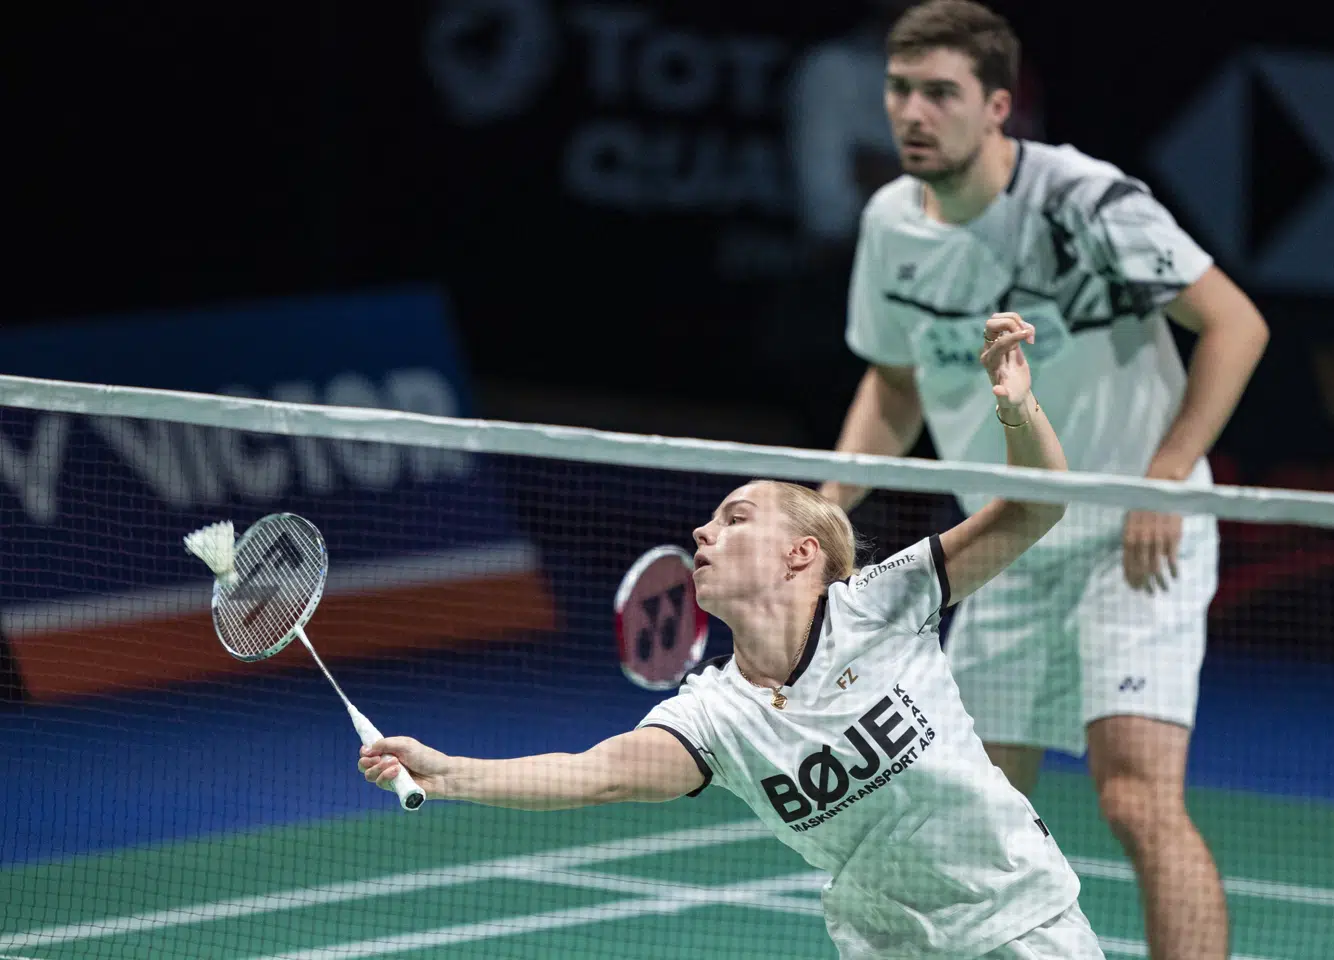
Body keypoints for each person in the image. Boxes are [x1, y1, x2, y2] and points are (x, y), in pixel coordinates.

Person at [360, 313, 1104, 959]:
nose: (702, 532)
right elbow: (595, 773)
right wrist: (450, 773)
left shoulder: (879, 603)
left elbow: (1035, 510)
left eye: (735, 518)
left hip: (1023, 923)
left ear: (801, 554)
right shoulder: (716, 715)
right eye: (711, 522)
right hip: (892, 947)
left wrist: (1018, 410)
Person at [817, 3, 1271, 959]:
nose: (912, 112)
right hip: (1004, 542)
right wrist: (830, 502)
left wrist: (1166, 479)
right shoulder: (890, 226)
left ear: (997, 107)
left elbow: (1235, 324)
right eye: (900, 90)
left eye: (940, 93)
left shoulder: (1086, 202)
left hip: (1131, 537)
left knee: (1135, 793)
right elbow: (896, 384)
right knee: (979, 808)